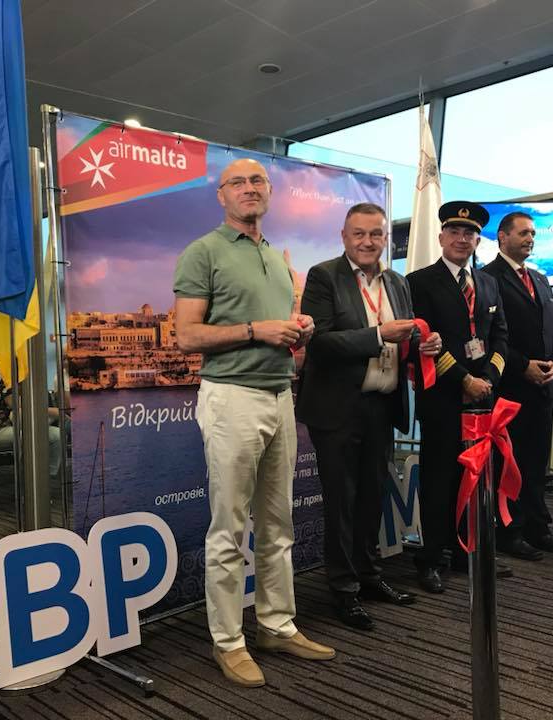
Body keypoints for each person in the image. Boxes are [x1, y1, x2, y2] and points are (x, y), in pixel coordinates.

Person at [173, 157, 334, 688]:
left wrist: (298, 329)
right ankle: (228, 641)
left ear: (269, 192)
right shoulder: (203, 251)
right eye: (237, 182)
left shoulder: (275, 257)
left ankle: (276, 625)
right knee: (228, 530)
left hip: (280, 395)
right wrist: (255, 330)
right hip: (231, 398)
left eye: (257, 181)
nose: (249, 188)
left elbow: (281, 334)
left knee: (277, 524)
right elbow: (187, 336)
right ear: (221, 195)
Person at [297, 202, 440, 630]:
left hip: (382, 405)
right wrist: (379, 335)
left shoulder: (397, 282)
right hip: (338, 409)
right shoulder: (323, 276)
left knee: (372, 498)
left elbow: (404, 341)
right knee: (342, 503)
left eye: (376, 234)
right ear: (344, 237)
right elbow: (320, 343)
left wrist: (423, 345)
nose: (367, 241)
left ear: (385, 238)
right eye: (358, 234)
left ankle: (369, 576)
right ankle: (344, 590)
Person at [407, 201, 508, 594]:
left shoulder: (488, 283)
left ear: (478, 240)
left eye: (469, 234)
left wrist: (487, 379)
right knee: (439, 480)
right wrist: (465, 380)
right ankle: (431, 559)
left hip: (482, 399)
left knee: (475, 478)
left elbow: (500, 336)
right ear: (441, 237)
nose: (461, 239)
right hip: (443, 398)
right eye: (454, 232)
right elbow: (423, 341)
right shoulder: (418, 282)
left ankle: (466, 553)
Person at [483, 212, 553, 559]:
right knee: (511, 463)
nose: (530, 239)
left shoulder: (540, 279)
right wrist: (522, 367)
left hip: (544, 387)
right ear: (502, 237)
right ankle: (510, 532)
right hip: (511, 387)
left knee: (537, 462)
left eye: (533, 233)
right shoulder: (488, 278)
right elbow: (491, 336)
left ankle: (538, 528)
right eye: (522, 233)